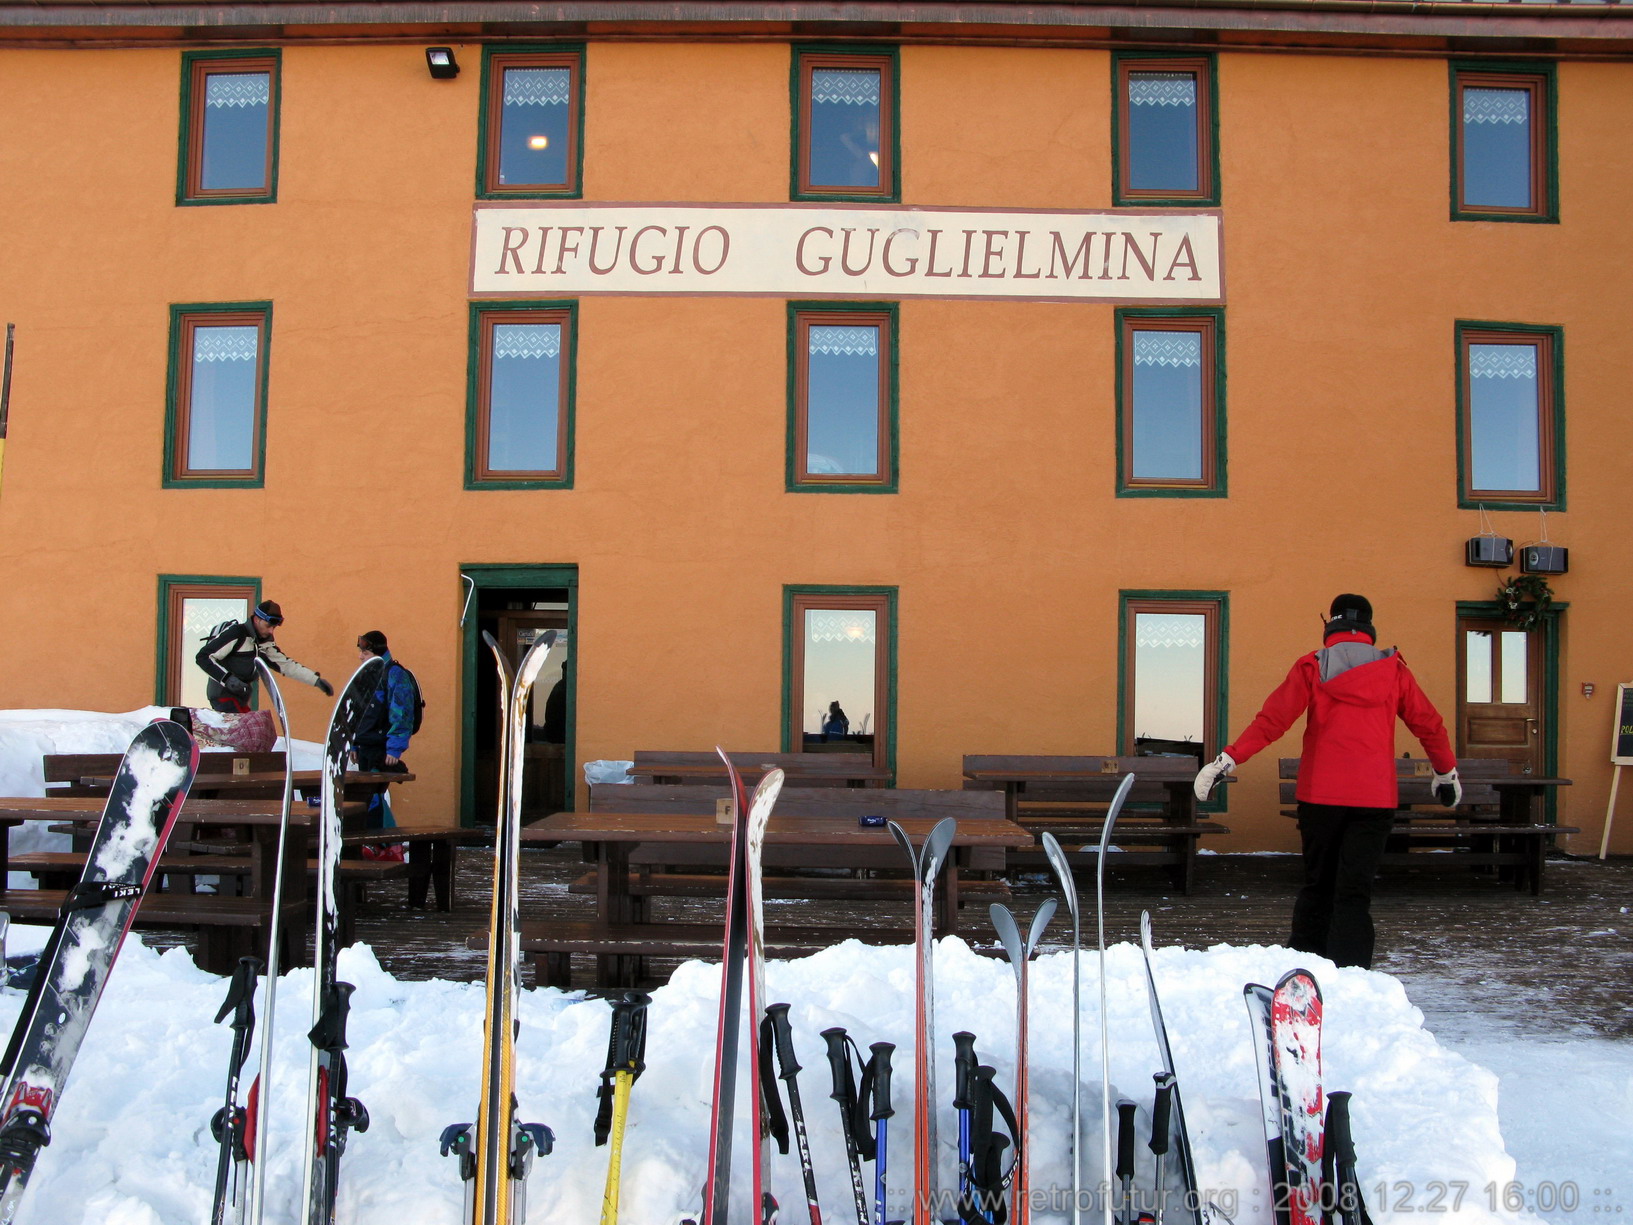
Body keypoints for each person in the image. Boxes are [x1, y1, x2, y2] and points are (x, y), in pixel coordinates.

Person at [1192, 594, 1461, 970]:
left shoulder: (1311, 667)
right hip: (1375, 799)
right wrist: (1445, 772)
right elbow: (1428, 723)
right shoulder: (1394, 670)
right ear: (1369, 628)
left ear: (1329, 625)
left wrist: (1229, 759)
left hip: (1321, 797)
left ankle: (1304, 975)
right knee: (1353, 893)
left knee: (1318, 887)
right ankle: (1351, 979)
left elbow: (1272, 720)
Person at [196, 600, 333, 713]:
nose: (271, 631)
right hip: (222, 696)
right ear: (256, 619)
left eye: (274, 627)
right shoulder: (237, 633)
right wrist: (227, 679)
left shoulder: (264, 643)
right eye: (268, 626)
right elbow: (203, 657)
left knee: (251, 731)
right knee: (244, 733)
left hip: (241, 697)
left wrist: (315, 680)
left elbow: (286, 665)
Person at [352, 630, 415, 834]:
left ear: (378, 654)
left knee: (372, 798)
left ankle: (382, 844)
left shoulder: (395, 674)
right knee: (366, 798)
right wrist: (354, 743)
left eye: (366, 653)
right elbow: (356, 713)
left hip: (381, 750)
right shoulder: (365, 675)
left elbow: (402, 713)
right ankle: (379, 844)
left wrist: (394, 749)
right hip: (364, 747)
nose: (361, 657)